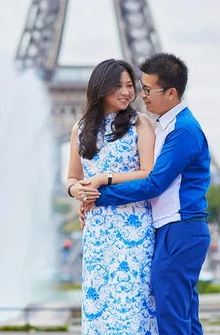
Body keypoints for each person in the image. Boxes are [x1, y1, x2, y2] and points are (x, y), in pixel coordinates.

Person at [80, 53, 211, 335]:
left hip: (180, 227)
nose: (142, 95)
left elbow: (153, 183)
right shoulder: (167, 125)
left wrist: (98, 195)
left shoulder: (182, 131)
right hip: (175, 227)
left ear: (171, 93)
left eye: (148, 90)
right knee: (183, 313)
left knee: (172, 317)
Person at [66, 59, 159, 334]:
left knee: (133, 305)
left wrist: (104, 179)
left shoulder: (139, 123)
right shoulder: (80, 129)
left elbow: (149, 173)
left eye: (130, 85)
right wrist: (77, 190)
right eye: (118, 85)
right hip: (97, 230)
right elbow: (71, 178)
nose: (126, 92)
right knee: (100, 306)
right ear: (100, 88)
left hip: (133, 228)